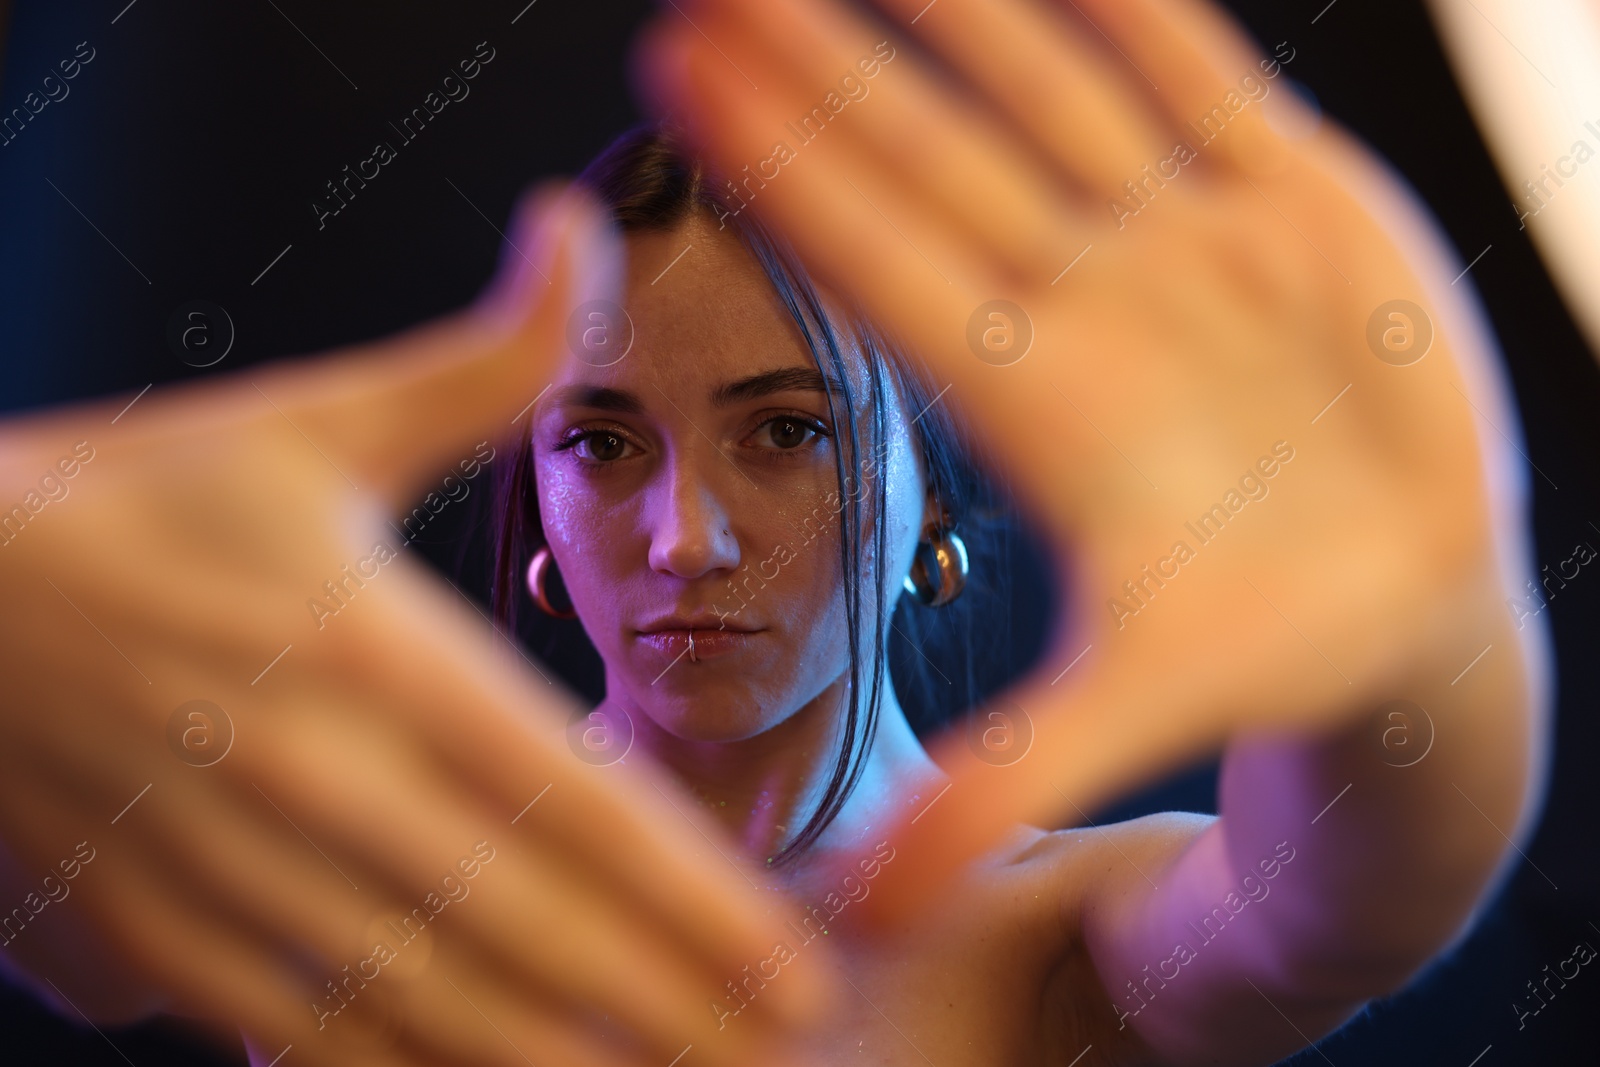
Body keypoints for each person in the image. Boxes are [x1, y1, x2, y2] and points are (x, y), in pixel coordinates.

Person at [0, 0, 1552, 1065]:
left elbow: (1334, 906)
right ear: (532, 496)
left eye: (789, 431)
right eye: (602, 442)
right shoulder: (365, 906)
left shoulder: (1056, 928)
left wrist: (1425, 655)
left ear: (925, 500)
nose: (684, 539)